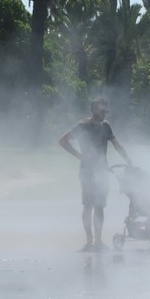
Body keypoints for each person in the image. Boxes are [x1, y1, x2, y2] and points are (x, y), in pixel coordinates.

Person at [58, 98, 132, 252]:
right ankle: (88, 242)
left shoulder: (106, 126)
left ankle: (98, 242)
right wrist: (80, 156)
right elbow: (63, 140)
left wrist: (128, 160)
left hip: (102, 171)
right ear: (93, 110)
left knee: (100, 207)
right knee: (88, 206)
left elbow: (117, 145)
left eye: (106, 111)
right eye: (102, 111)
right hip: (87, 171)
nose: (105, 114)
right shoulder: (83, 126)